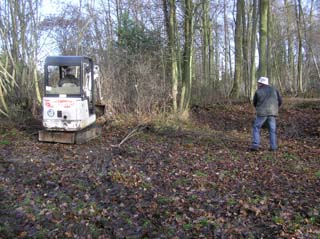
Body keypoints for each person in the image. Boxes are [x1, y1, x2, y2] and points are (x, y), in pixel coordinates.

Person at [249, 76, 282, 151]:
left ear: (261, 83)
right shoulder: (274, 90)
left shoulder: (258, 91)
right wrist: (275, 108)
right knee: (272, 130)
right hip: (272, 113)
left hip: (262, 113)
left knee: (256, 127)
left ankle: (255, 145)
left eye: (259, 83)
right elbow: (280, 101)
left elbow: (254, 103)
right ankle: (273, 147)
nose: (258, 84)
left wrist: (259, 108)